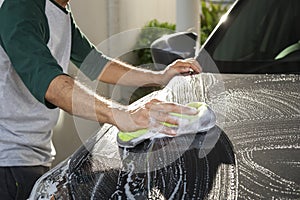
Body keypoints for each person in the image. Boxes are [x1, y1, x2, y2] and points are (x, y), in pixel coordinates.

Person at [0, 0, 201, 199]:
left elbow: (96, 63)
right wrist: (120, 114)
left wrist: (158, 76)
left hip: (31, 154)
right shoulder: (20, 7)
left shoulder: (59, 10)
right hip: (9, 160)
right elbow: (51, 85)